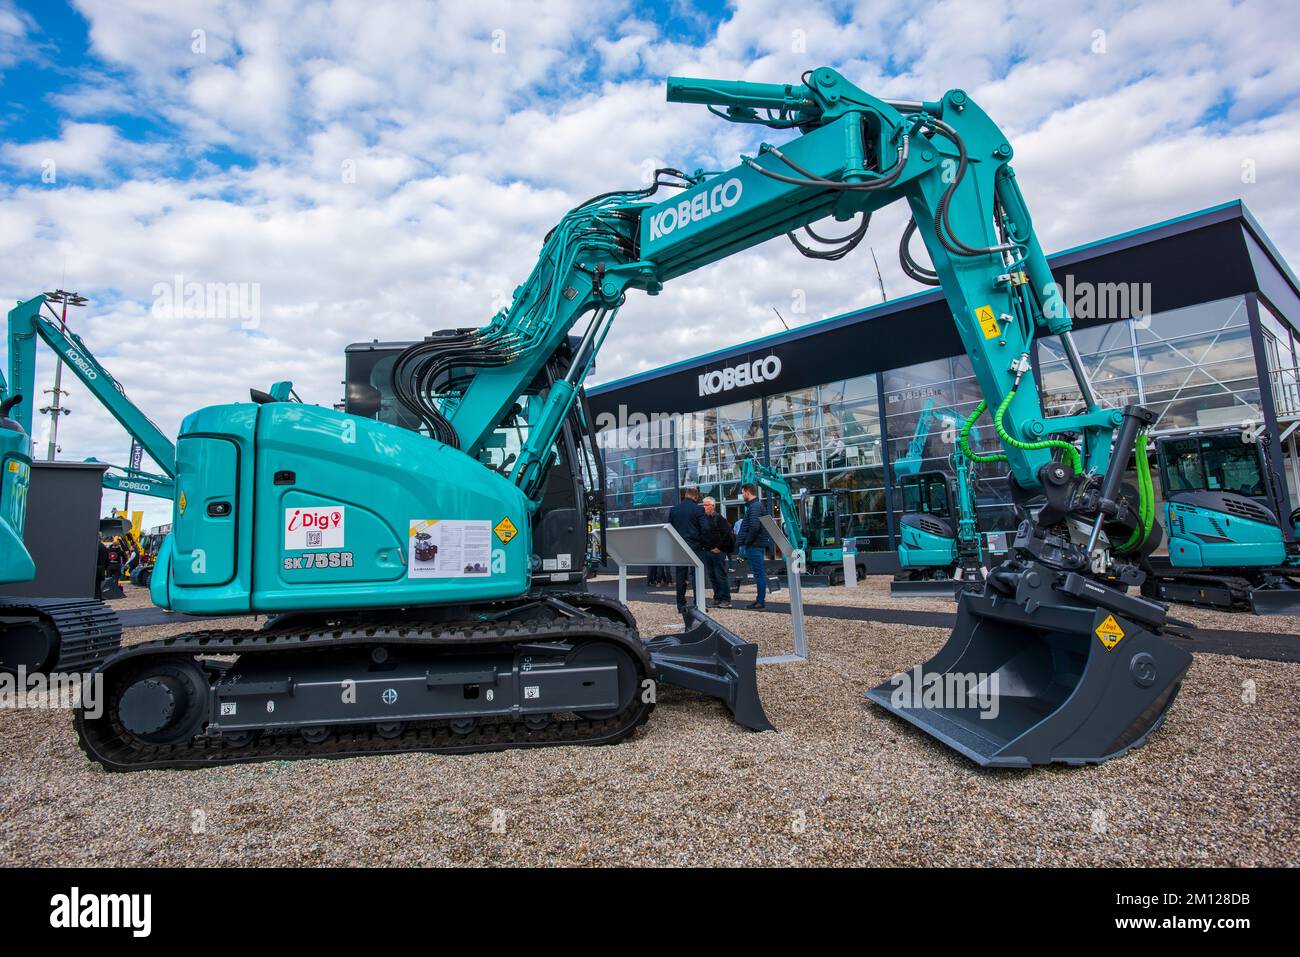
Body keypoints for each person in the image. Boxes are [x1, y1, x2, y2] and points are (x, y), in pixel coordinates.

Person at [668, 486, 707, 613]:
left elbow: (670, 529)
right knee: (697, 575)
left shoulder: (674, 510)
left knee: (680, 576)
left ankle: (681, 605)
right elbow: (704, 528)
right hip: (695, 547)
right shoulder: (698, 509)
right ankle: (699, 603)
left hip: (679, 547)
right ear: (695, 497)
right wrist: (704, 543)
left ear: (685, 495)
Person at [737, 483, 772, 609]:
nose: (742, 495)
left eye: (742, 492)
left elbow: (754, 527)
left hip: (754, 545)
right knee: (759, 573)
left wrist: (746, 542)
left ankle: (760, 601)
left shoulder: (755, 507)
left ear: (747, 492)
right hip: (755, 545)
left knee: (759, 574)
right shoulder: (755, 506)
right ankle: (759, 599)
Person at [699, 496, 734, 607]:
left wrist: (719, 547)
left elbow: (727, 534)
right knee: (712, 576)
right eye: (703, 505)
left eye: (706, 505)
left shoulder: (719, 518)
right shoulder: (704, 519)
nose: (703, 507)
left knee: (720, 575)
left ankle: (726, 599)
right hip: (707, 551)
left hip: (718, 552)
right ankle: (717, 598)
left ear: (712, 506)